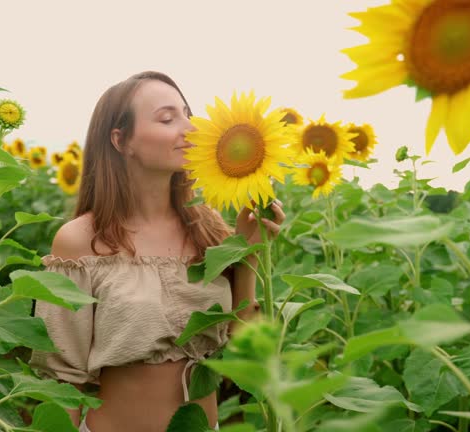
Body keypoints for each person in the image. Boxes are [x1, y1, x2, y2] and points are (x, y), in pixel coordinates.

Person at [29, 71, 285, 432]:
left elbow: (247, 353)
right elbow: (61, 379)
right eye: (167, 118)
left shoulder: (207, 230)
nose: (190, 128)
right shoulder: (79, 242)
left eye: (187, 114)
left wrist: (248, 253)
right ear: (121, 140)